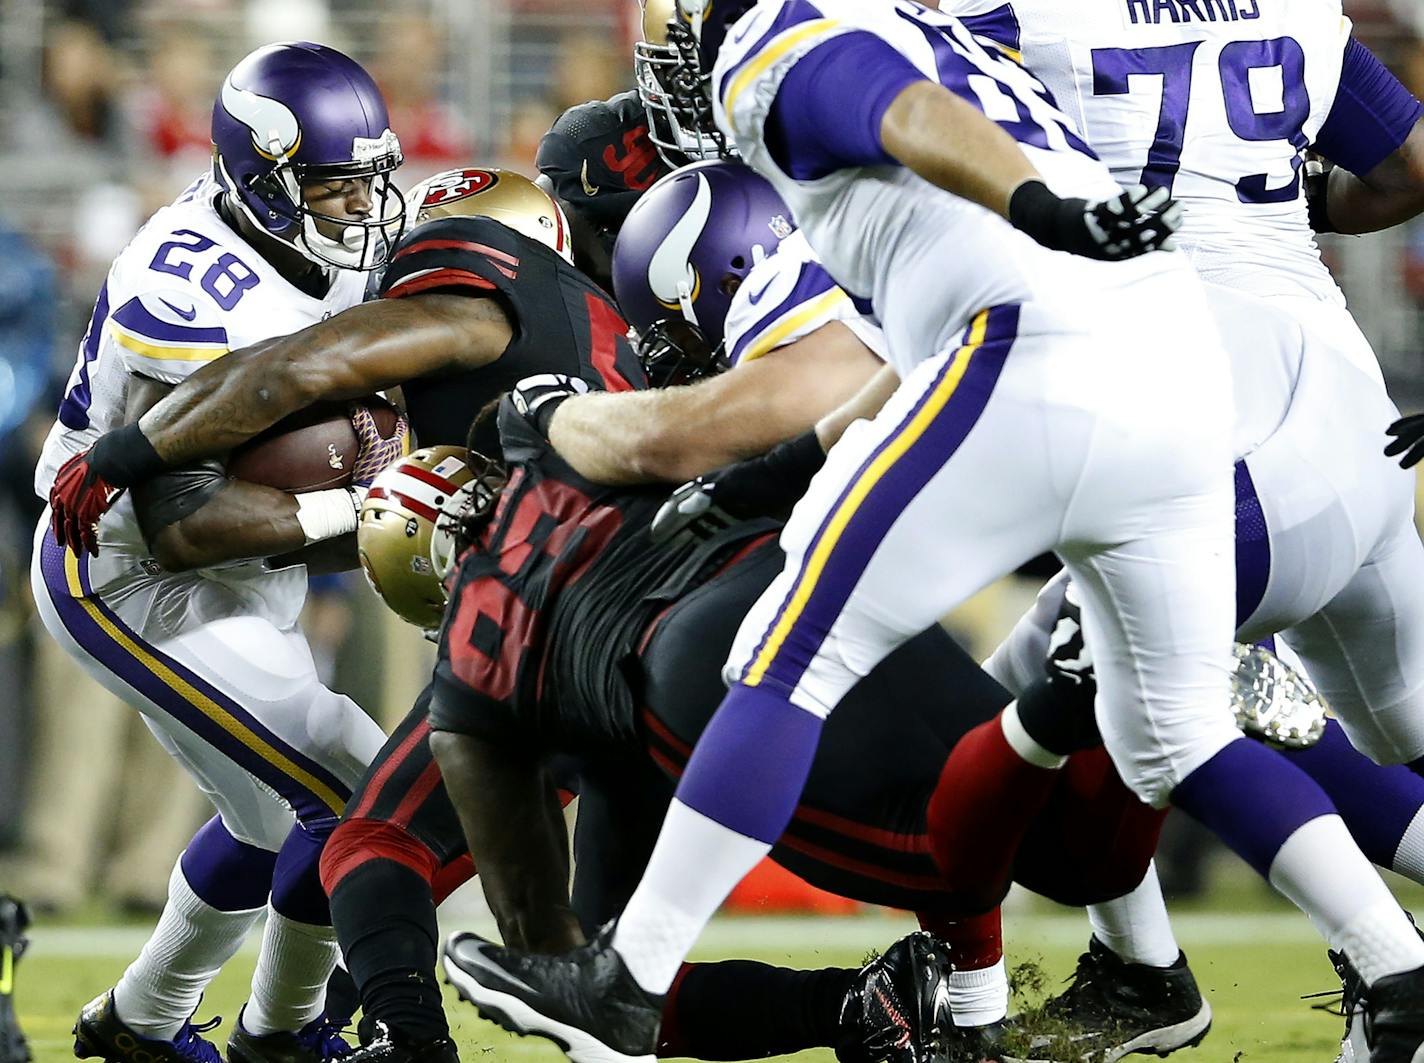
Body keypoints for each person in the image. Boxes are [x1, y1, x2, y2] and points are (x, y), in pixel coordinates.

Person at [436, 3, 1424, 1062]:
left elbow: (892, 110)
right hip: (1195, 365)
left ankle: (627, 982)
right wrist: (769, 476)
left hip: (1046, 353)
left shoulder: (797, 41)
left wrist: (1027, 200)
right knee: (1172, 726)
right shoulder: (966, 37)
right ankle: (1389, 966)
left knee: (790, 652)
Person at [32, 41, 406, 1063]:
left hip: (241, 563)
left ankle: (141, 1025)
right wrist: (366, 506)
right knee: (355, 791)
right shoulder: (192, 289)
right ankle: (282, 1037)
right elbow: (182, 524)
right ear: (261, 176)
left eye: (363, 180)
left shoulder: (307, 247)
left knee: (264, 819)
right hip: (128, 567)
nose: (353, 207)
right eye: (328, 185)